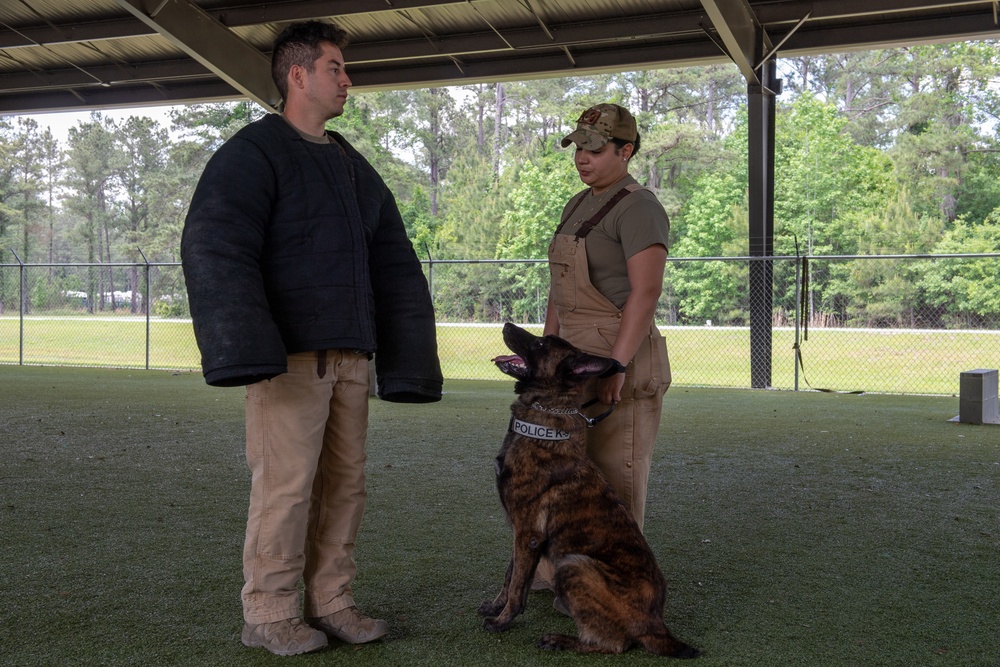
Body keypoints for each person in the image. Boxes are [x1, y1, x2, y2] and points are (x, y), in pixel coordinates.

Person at [180, 20, 442, 657]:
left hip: (351, 357)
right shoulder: (253, 153)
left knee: (345, 487)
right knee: (288, 487)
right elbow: (215, 244)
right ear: (297, 75)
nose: (347, 80)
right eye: (336, 68)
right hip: (289, 361)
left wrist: (403, 358)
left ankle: (331, 603)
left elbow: (393, 259)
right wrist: (248, 347)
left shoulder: (350, 163)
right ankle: (268, 613)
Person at [545, 102, 671, 533]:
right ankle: (560, 573)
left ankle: (616, 588)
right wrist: (548, 350)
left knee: (614, 479)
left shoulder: (638, 208)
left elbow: (646, 292)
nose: (582, 157)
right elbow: (559, 286)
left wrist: (616, 366)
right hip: (572, 356)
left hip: (620, 353)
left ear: (626, 151)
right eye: (578, 146)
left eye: (595, 149)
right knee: (558, 472)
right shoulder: (578, 202)